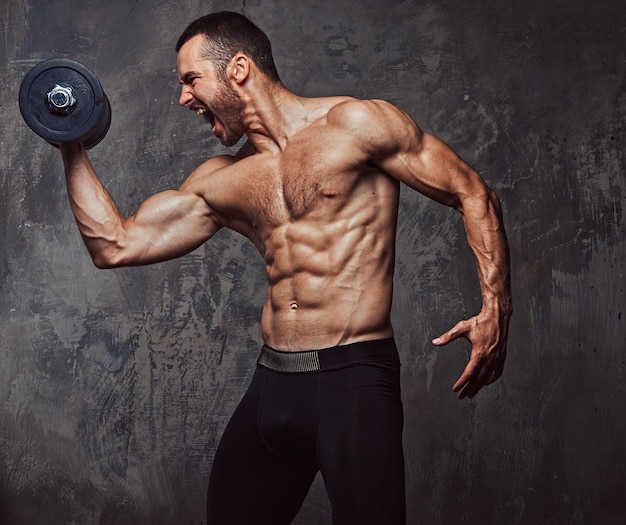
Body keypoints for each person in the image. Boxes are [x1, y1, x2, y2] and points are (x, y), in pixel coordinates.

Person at [59, 11, 512, 525]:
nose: (183, 98)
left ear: (238, 68)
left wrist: (496, 308)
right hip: (272, 386)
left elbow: (471, 191)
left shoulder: (357, 125)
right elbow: (114, 245)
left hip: (353, 383)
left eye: (190, 80)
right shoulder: (222, 180)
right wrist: (69, 138)